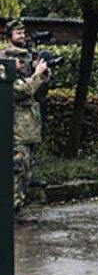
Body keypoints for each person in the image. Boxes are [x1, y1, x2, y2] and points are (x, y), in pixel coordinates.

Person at [4, 20, 49, 210]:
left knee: (25, 170)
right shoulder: (3, 63)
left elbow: (36, 94)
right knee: (17, 169)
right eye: (17, 33)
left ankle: (18, 208)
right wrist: (36, 74)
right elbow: (21, 91)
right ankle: (12, 212)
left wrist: (43, 78)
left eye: (24, 33)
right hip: (14, 128)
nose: (22, 63)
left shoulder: (24, 62)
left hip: (28, 127)